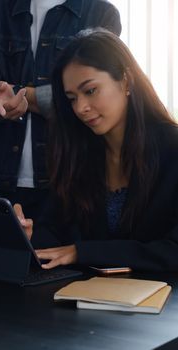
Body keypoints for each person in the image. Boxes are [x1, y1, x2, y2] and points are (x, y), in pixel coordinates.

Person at [17, 28, 178, 272]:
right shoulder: (77, 152)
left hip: (161, 301)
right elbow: (52, 232)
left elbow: (172, 251)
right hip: (84, 300)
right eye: (71, 98)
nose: (81, 108)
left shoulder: (172, 147)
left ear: (126, 81)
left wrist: (82, 252)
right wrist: (28, 239)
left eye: (90, 91)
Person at [0, 0, 121, 221]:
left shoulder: (101, 13)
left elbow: (88, 95)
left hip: (66, 181)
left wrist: (20, 93)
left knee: (59, 253)